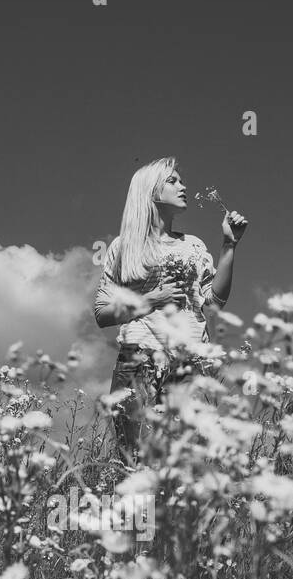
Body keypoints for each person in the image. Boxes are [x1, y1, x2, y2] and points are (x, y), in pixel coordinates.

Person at [93, 157, 248, 464]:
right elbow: (101, 313)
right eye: (173, 181)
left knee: (182, 468)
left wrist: (229, 246)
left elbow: (214, 306)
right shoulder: (124, 246)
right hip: (139, 361)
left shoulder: (193, 246)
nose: (184, 186)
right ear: (151, 191)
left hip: (187, 363)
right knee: (135, 463)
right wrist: (150, 300)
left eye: (181, 180)